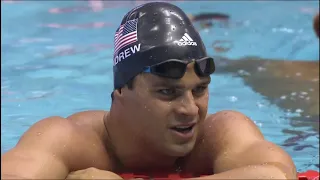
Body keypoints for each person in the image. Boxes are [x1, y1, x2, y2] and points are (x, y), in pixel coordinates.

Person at [1, 2, 297, 179]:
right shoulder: (69, 140)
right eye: (167, 93)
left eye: (199, 90)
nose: (190, 109)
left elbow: (278, 175)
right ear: (121, 92)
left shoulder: (219, 134)